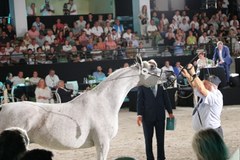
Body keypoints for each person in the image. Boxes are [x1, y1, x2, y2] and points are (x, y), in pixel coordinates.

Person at [137, 59, 174, 160]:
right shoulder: (142, 83)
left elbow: (166, 98)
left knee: (160, 140)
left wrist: (170, 111)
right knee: (148, 140)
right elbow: (140, 100)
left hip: (160, 116)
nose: (151, 66)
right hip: (147, 117)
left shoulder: (161, 82)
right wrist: (139, 115)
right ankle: (150, 158)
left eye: (153, 65)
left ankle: (161, 158)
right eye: (150, 65)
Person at [181, 63, 224, 138]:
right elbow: (195, 85)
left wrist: (193, 73)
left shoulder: (216, 96)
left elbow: (201, 88)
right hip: (204, 132)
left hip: (213, 132)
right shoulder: (206, 93)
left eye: (204, 83)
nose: (202, 84)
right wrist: (188, 75)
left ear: (210, 85)